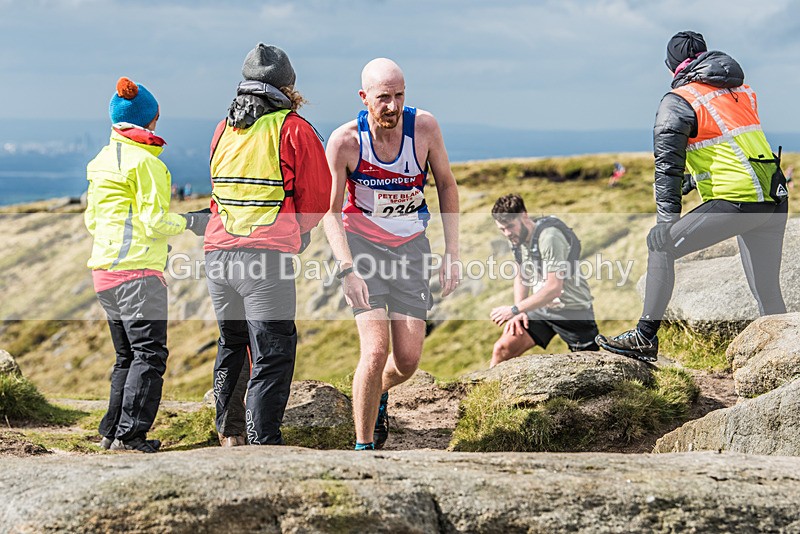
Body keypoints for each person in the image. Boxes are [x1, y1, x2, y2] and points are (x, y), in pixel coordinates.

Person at [597, 31, 789, 362]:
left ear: (671, 65)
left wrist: (666, 221)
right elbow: (730, 148)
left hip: (738, 201)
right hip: (773, 196)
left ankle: (644, 337)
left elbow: (666, 167)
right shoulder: (740, 90)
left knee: (660, 244)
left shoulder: (680, 100)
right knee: (769, 297)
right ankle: (787, 363)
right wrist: (693, 180)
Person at [324, 58, 461, 450]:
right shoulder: (345, 141)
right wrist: (346, 270)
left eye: (399, 95)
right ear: (364, 97)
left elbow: (447, 186)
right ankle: (364, 445)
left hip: (412, 249)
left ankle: (378, 393)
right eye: (383, 97)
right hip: (364, 250)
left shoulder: (425, 128)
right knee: (375, 349)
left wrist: (452, 252)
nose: (393, 106)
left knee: (407, 361)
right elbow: (330, 211)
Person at [203, 43, 331, 446]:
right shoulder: (293, 129)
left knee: (232, 345)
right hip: (264, 262)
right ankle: (263, 444)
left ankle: (230, 434)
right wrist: (298, 234)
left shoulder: (223, 129)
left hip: (217, 258)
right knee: (272, 352)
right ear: (288, 87)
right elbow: (315, 203)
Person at [85, 77, 204, 452]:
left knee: (127, 356)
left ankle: (111, 431)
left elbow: (93, 220)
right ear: (150, 119)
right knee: (149, 355)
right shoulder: (146, 164)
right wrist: (189, 221)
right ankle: (131, 435)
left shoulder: (101, 161)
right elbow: (154, 222)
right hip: (137, 275)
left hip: (104, 273)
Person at [490, 194, 599, 367]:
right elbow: (522, 276)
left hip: (572, 311)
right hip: (541, 309)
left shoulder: (549, 237)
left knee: (590, 368)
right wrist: (519, 312)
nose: (507, 233)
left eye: (510, 226)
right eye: (502, 229)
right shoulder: (517, 239)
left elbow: (554, 288)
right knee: (501, 349)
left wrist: (513, 309)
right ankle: (487, 393)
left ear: (524, 215)